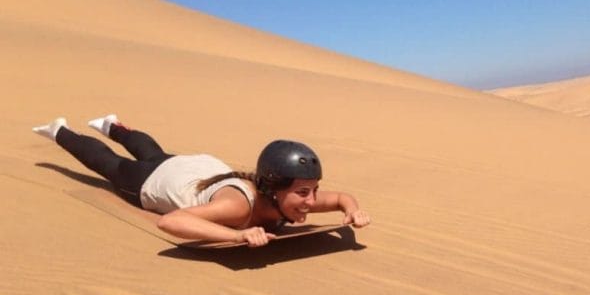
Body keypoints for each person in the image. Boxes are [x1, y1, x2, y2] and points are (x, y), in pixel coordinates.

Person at [32, 115, 371, 247]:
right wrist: (237, 233)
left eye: (313, 191)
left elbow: (343, 198)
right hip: (155, 182)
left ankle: (113, 125)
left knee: (152, 149)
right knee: (110, 164)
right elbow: (171, 221)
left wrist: (353, 214)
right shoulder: (238, 205)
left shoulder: (292, 200)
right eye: (302, 192)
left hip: (192, 169)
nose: (312, 202)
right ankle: (60, 130)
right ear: (273, 188)